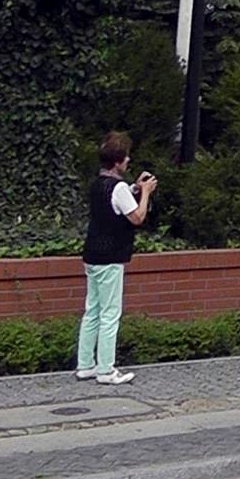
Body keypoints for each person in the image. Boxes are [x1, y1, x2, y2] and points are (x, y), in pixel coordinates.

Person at [76, 132, 156, 386]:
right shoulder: (119, 188)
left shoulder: (98, 183)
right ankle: (106, 370)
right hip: (111, 256)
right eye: (126, 157)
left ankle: (85, 365)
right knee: (110, 313)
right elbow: (137, 217)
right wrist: (145, 193)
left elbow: (114, 200)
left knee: (92, 310)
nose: (129, 160)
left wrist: (134, 187)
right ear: (118, 161)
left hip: (92, 254)